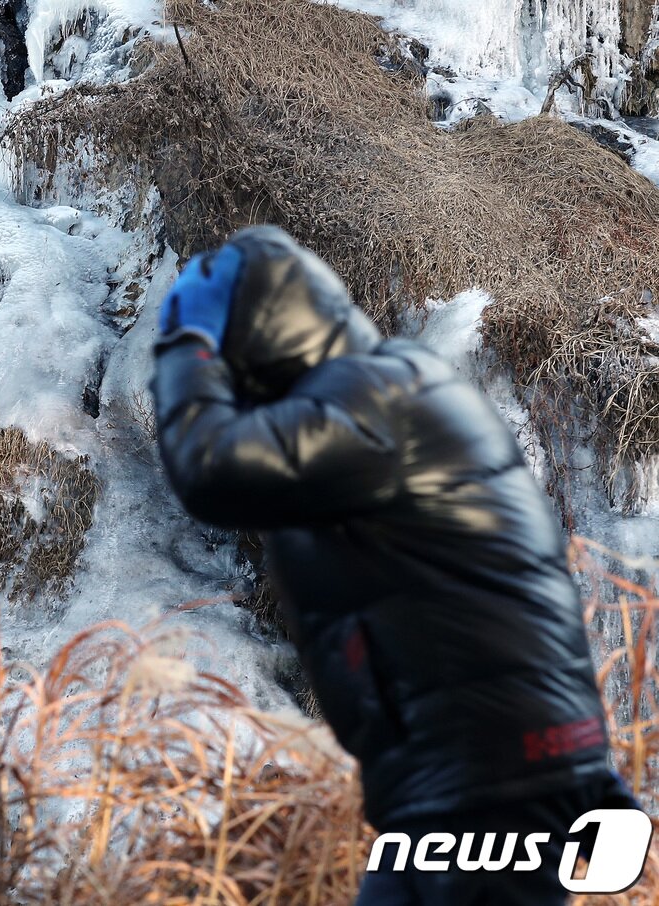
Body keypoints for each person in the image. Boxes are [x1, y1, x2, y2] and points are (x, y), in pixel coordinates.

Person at [151, 225, 639, 904]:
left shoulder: (380, 394)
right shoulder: (371, 406)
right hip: (482, 776)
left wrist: (184, 343)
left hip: (489, 776)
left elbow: (209, 468)